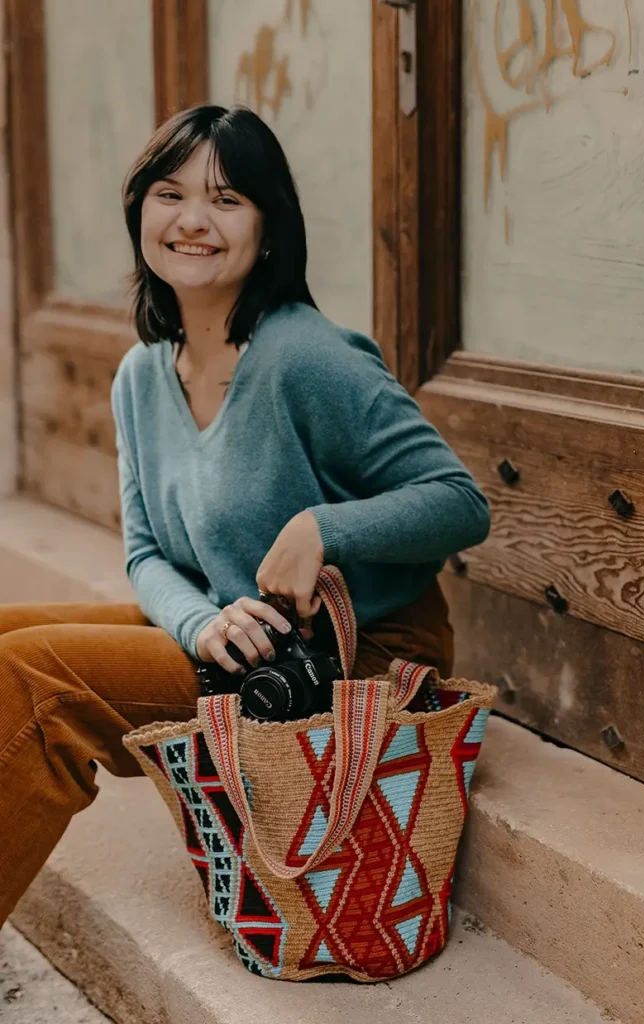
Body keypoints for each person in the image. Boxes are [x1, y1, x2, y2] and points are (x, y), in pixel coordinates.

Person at [0, 105, 490, 926]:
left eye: (226, 199)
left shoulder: (306, 356)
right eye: (169, 193)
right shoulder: (140, 374)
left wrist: (321, 529)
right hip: (236, 637)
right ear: (139, 214)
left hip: (349, 653)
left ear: (267, 229)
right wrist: (199, 625)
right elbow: (148, 553)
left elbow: (458, 502)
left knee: (33, 683)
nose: (192, 219)